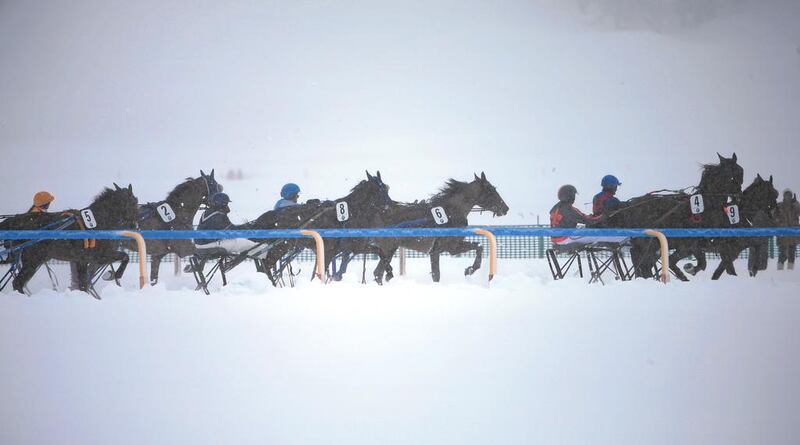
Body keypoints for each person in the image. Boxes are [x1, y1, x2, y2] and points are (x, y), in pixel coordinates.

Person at [776, 188, 800, 270]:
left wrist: (796, 203)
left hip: (793, 235)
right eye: (787, 195)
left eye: (790, 195)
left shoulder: (795, 206)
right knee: (782, 254)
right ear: (784, 196)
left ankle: (790, 271)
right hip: (782, 234)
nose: (788, 197)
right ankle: (780, 270)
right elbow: (773, 215)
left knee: (792, 253)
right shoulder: (779, 206)